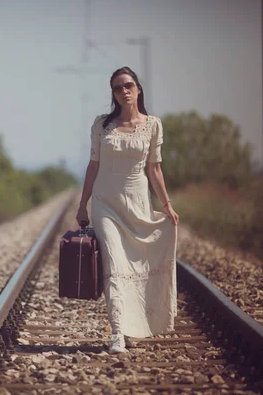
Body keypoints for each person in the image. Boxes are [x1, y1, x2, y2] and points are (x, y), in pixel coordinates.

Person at [76, 66, 179, 354]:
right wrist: (83, 203)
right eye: (118, 87)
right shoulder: (101, 125)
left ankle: (142, 322)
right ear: (113, 93)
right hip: (105, 204)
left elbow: (155, 169)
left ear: (138, 89)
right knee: (114, 265)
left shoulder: (153, 125)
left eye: (129, 85)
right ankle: (118, 332)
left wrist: (167, 206)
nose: (124, 91)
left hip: (138, 203)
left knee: (137, 266)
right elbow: (93, 165)